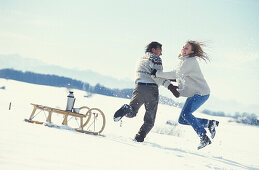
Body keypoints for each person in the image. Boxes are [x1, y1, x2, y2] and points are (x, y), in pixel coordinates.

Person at [152, 40, 219, 149]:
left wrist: (157, 73)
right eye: (183, 47)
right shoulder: (184, 61)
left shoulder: (190, 62)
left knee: (186, 115)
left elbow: (175, 74)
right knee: (182, 119)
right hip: (196, 94)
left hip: (201, 93)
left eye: (186, 48)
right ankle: (209, 124)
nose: (183, 49)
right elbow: (179, 76)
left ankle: (203, 137)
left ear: (192, 51)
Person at [113, 41, 179, 142]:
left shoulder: (141, 59)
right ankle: (139, 136)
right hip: (151, 89)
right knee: (150, 119)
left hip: (138, 87)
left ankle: (126, 109)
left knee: (132, 112)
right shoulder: (156, 59)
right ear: (153, 50)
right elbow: (157, 76)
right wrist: (170, 86)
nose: (161, 53)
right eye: (160, 50)